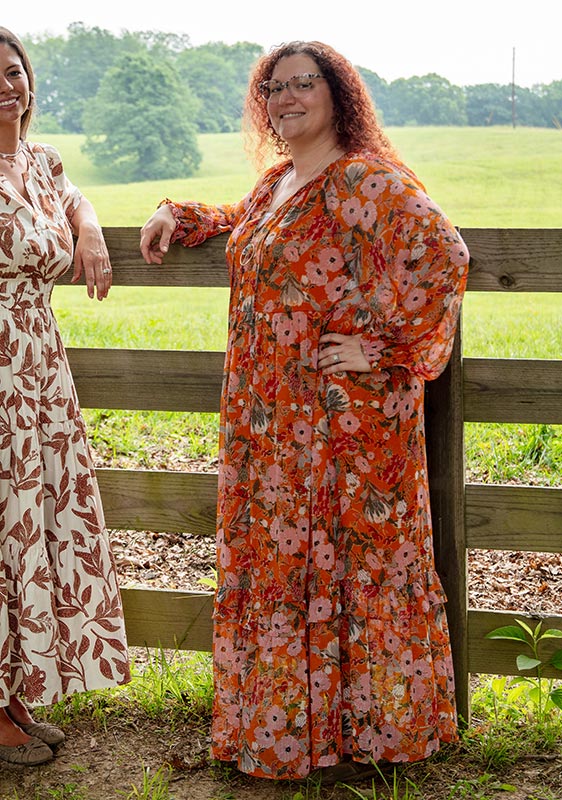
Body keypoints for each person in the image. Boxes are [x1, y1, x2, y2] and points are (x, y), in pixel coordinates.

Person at [140, 40, 469, 782]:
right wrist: (177, 212)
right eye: (274, 88)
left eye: (303, 85)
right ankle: (293, 732)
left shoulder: (362, 181)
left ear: (337, 96)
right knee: (282, 564)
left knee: (356, 564)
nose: (287, 99)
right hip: (270, 420)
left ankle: (369, 739)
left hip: (341, 422)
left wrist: (384, 347)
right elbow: (241, 223)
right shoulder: (276, 184)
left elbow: (443, 251)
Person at [0, 28, 130, 767]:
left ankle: (13, 691)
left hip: (39, 372)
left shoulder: (43, 162)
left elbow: (69, 192)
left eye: (14, 71)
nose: (5, 85)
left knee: (31, 520)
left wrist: (87, 224)